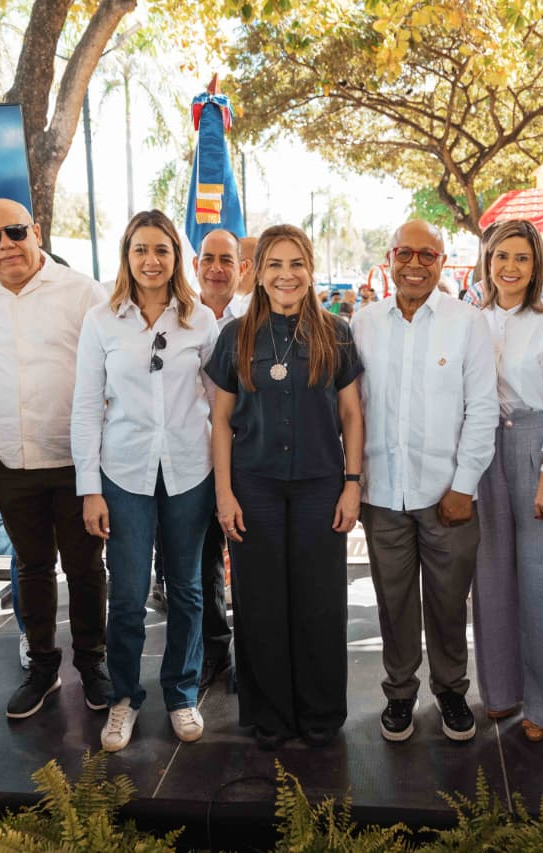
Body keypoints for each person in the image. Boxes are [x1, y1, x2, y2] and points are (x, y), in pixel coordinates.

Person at [206, 224, 364, 750]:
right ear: (258, 273)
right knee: (260, 603)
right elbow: (221, 421)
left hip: (321, 485)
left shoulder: (337, 333)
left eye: (296, 264)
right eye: (274, 264)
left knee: (320, 603)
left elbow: (350, 413)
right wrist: (224, 495)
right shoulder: (235, 337)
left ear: (310, 270)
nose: (286, 275)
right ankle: (269, 714)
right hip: (255, 488)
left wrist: (352, 483)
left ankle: (320, 712)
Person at [0, 198, 112, 720]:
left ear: (37, 232)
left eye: (15, 232)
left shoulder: (84, 292)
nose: (5, 246)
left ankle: (93, 664)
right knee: (31, 568)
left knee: (87, 568)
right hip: (9, 460)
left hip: (75, 460)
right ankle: (43, 667)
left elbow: (106, 378)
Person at [73, 210, 219, 752]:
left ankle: (181, 694)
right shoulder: (101, 321)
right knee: (129, 595)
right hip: (124, 475)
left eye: (161, 249)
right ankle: (125, 698)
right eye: (140, 249)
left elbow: (218, 403)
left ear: (176, 256)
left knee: (187, 590)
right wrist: (90, 487)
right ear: (126, 255)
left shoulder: (201, 320)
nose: (151, 260)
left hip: (189, 472)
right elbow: (86, 406)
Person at [351, 220, 498, 743]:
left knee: (447, 600)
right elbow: (352, 409)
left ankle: (452, 690)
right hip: (383, 494)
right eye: (405, 253)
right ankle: (399, 694)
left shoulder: (467, 323)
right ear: (390, 258)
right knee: (392, 603)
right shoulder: (362, 323)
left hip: (447, 497)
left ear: (442, 262)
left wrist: (463, 487)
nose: (415, 264)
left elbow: (482, 410)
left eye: (427, 255)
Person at [470, 219, 543, 742]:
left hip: (541, 446)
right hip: (484, 445)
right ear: (487, 260)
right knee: (490, 574)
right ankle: (501, 692)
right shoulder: (472, 320)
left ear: (536, 265)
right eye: (501, 256)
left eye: (521, 257)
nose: (509, 267)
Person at [192, 228, 254, 688]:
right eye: (208, 259)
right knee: (200, 561)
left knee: (250, 561)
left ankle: (255, 654)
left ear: (242, 267)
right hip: (190, 461)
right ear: (196, 264)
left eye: (226, 260)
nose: (216, 268)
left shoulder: (257, 318)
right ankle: (215, 651)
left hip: (248, 461)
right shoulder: (179, 317)